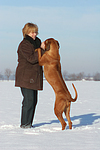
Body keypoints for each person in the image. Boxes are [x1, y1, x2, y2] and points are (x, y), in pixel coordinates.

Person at [15, 22, 45, 128]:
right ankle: (25, 124)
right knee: (29, 100)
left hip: (34, 77)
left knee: (33, 101)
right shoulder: (24, 44)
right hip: (25, 77)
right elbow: (32, 59)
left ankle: (29, 124)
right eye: (32, 32)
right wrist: (41, 49)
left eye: (35, 32)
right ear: (26, 32)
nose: (34, 34)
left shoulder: (36, 43)